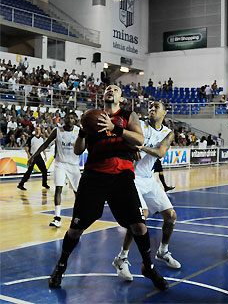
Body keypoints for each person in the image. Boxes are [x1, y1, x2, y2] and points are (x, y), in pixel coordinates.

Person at [48, 85, 168, 291]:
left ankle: (148, 267)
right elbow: (78, 150)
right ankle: (61, 266)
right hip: (94, 177)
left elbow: (139, 140)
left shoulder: (128, 116)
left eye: (115, 89)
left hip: (121, 177)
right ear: (103, 96)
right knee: (76, 229)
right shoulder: (91, 117)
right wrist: (83, 132)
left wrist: (115, 128)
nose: (111, 90)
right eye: (108, 88)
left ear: (121, 98)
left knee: (139, 226)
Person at [112, 101, 181, 282]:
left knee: (171, 216)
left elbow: (160, 152)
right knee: (140, 216)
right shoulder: (139, 126)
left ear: (164, 113)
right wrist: (130, 145)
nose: (151, 109)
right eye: (150, 106)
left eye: (156, 107)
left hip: (148, 180)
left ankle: (163, 251)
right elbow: (124, 139)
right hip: (131, 177)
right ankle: (121, 258)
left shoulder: (168, 133)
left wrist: (140, 147)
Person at [28, 113, 81, 228]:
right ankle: (57, 218)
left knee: (78, 192)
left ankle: (77, 217)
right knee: (58, 189)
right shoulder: (57, 130)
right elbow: (45, 144)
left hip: (74, 165)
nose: (70, 119)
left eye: (72, 118)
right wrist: (33, 156)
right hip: (60, 163)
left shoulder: (79, 131)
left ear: (75, 119)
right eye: (68, 117)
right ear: (64, 119)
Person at [17, 127, 50, 191]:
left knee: (44, 170)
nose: (37, 130)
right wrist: (29, 155)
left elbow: (43, 147)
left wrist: (45, 155)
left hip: (39, 156)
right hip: (32, 156)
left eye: (39, 129)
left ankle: (44, 183)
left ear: (40, 131)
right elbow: (26, 147)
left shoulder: (41, 138)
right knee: (29, 171)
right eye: (36, 129)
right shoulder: (31, 138)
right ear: (34, 130)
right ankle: (21, 184)